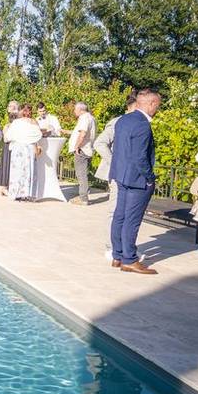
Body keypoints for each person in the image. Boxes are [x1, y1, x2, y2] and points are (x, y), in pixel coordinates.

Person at [109, 89, 162, 275]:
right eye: (158, 105)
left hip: (121, 175)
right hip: (136, 179)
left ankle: (117, 255)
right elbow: (140, 157)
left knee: (120, 216)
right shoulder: (142, 125)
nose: (157, 109)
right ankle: (129, 259)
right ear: (151, 103)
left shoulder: (123, 120)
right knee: (131, 219)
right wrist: (149, 178)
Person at [95, 92, 138, 258]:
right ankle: (111, 247)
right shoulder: (118, 122)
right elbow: (100, 143)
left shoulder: (135, 122)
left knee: (126, 211)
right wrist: (115, 162)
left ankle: (124, 247)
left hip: (129, 174)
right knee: (115, 210)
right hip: (118, 173)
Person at [5, 104, 43, 201]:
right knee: (29, 170)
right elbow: (38, 136)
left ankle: (16, 193)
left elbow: (8, 136)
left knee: (17, 170)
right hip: (29, 148)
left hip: (18, 147)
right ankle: (28, 193)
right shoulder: (34, 122)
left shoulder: (16, 122)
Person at [69, 102, 97, 206]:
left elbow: (83, 133)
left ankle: (83, 198)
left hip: (82, 150)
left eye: (75, 109)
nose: (74, 111)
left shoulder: (85, 118)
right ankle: (83, 195)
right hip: (86, 149)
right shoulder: (90, 118)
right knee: (83, 173)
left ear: (80, 110)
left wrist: (77, 146)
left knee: (81, 174)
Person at [0, 101, 20, 195]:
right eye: (9, 105)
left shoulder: (19, 116)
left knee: (11, 164)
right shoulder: (11, 119)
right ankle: (4, 187)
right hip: (10, 143)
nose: (8, 107)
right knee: (7, 164)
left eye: (10, 106)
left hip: (15, 143)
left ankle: (8, 186)